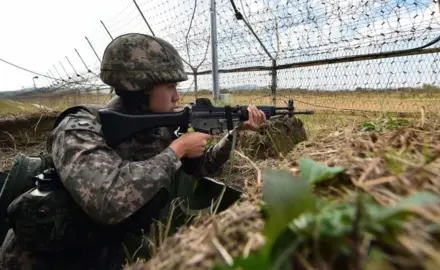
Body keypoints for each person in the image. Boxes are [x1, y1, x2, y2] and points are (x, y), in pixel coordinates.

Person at [0, 33, 266, 269]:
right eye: (170, 86)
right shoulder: (79, 127)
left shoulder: (158, 126)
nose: (176, 97)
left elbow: (201, 167)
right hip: (43, 261)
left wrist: (233, 134)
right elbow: (108, 201)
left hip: (103, 255)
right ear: (141, 87)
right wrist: (176, 151)